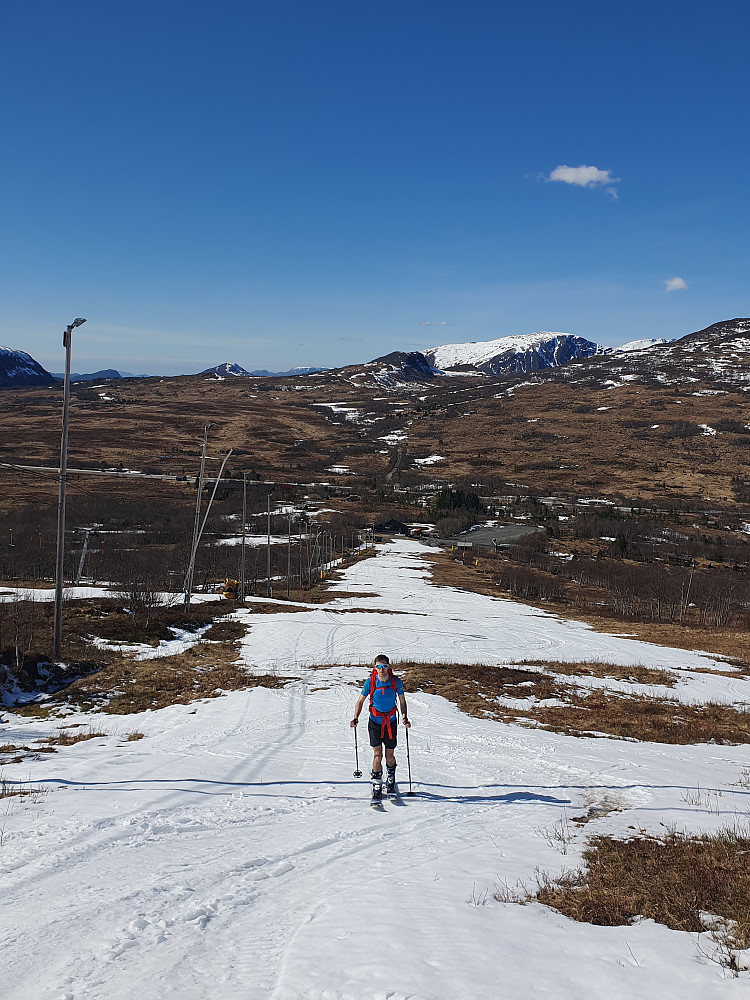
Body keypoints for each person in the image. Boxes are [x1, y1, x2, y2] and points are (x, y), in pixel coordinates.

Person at [350, 654, 410, 792]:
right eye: (378, 666)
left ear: (388, 667)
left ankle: (390, 778)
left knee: (390, 755)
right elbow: (360, 701)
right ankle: (377, 782)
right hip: (375, 723)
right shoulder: (370, 682)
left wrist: (404, 717)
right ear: (375, 668)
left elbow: (402, 701)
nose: (381, 669)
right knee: (377, 755)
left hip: (391, 722)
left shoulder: (396, 682)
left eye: (384, 666)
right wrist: (355, 717)